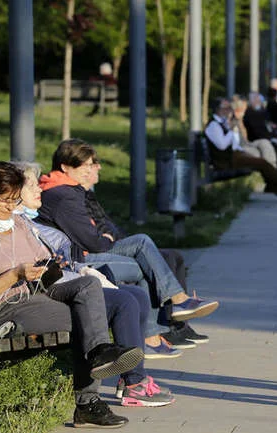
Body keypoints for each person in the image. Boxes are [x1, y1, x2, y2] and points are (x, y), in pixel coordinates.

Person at [0, 162, 144, 428]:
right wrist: (15, 274)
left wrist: (50, 266)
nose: (10, 207)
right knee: (84, 318)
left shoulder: (17, 223)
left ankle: (101, 351)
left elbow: (40, 258)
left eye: (14, 200)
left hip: (40, 291)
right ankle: (88, 402)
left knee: (88, 285)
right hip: (8, 307)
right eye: (4, 200)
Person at [36, 139, 219, 359]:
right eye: (85, 165)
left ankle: (158, 332)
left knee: (152, 256)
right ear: (65, 167)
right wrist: (105, 239)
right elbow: (92, 241)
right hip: (78, 261)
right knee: (142, 245)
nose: (91, 169)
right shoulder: (62, 195)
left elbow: (99, 227)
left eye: (90, 165)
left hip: (83, 253)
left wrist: (106, 237)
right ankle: (169, 313)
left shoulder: (68, 190)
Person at [13, 160, 176, 407]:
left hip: (65, 282)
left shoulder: (30, 221)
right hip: (47, 295)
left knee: (137, 295)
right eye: (32, 186)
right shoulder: (19, 224)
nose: (39, 190)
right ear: (13, 193)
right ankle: (134, 384)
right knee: (125, 301)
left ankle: (131, 379)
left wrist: (71, 266)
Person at [205, 98, 277, 202]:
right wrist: (231, 131)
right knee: (261, 163)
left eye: (229, 108)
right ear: (217, 109)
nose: (228, 110)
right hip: (225, 161)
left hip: (233, 155)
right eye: (226, 108)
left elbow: (233, 143)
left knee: (262, 162)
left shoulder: (222, 123)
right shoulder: (213, 126)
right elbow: (222, 145)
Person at [243, 91, 277, 169]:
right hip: (258, 138)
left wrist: (272, 130)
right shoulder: (251, 113)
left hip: (267, 134)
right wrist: (271, 137)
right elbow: (256, 130)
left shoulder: (261, 111)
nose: (259, 102)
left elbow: (266, 123)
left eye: (259, 100)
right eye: (256, 100)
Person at [231, 95, 277, 168]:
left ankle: (272, 168)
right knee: (258, 153)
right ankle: (270, 169)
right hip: (242, 146)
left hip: (249, 143)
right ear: (236, 111)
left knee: (265, 142)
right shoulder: (233, 122)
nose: (245, 111)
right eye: (243, 110)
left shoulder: (244, 119)